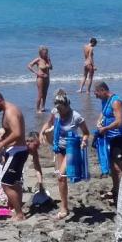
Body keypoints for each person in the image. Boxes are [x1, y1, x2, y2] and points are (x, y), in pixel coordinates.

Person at [41, 91, 91, 221]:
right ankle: (64, 207)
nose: (60, 113)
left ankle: (64, 209)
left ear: (67, 106)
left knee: (61, 176)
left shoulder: (76, 116)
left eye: (62, 110)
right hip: (58, 147)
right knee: (61, 179)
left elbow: (86, 133)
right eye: (58, 109)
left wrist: (84, 140)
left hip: (71, 148)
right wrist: (42, 132)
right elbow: (49, 123)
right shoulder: (56, 113)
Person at [0, 91, 28, 221]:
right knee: (14, 182)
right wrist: (2, 137)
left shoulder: (10, 111)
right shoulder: (6, 111)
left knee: (5, 183)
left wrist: (2, 144)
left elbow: (17, 133)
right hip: (16, 150)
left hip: (17, 151)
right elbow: (11, 130)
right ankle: (17, 207)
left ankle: (19, 214)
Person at [93, 81, 122, 203]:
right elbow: (103, 114)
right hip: (108, 138)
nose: (95, 96)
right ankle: (115, 190)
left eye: (96, 93)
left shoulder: (116, 101)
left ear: (103, 90)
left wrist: (105, 128)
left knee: (119, 168)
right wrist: (99, 122)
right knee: (112, 166)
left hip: (118, 137)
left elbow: (120, 122)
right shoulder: (105, 100)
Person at [27, 46, 53, 112]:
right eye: (45, 53)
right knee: (40, 94)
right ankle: (37, 109)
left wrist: (49, 61)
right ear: (41, 53)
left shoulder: (47, 59)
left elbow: (51, 68)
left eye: (46, 53)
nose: (46, 54)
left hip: (47, 78)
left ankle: (43, 107)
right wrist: (37, 73)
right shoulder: (38, 59)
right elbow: (29, 66)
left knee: (45, 94)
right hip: (40, 79)